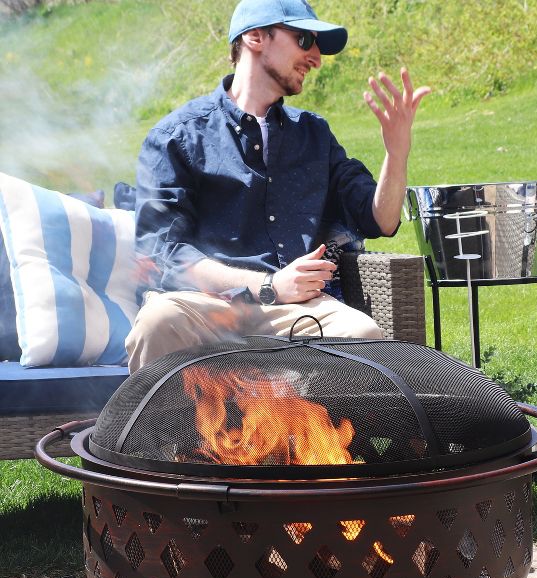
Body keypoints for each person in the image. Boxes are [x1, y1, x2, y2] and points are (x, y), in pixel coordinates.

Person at [126, 0, 430, 372]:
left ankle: (309, 414)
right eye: (304, 40)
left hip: (295, 312)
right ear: (255, 37)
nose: (316, 58)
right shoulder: (179, 137)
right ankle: (167, 417)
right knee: (158, 322)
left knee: (361, 334)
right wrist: (269, 284)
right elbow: (164, 253)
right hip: (205, 306)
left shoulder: (313, 135)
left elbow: (380, 219)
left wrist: (396, 153)